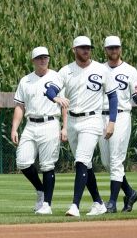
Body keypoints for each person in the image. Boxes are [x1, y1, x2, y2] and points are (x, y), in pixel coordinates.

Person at [51, 35, 119, 217]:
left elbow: (113, 96)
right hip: (73, 121)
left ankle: (75, 205)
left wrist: (112, 122)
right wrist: (55, 97)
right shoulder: (66, 71)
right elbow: (50, 89)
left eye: (88, 47)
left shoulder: (101, 69)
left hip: (92, 120)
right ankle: (98, 202)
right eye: (82, 47)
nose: (86, 50)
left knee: (81, 160)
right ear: (74, 50)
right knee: (86, 165)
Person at [11, 46, 68, 215]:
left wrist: (65, 127)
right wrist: (15, 128)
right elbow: (20, 106)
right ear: (33, 61)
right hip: (31, 123)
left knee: (47, 165)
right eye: (39, 58)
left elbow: (64, 104)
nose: (43, 60)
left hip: (50, 122)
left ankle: (47, 205)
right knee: (22, 161)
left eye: (45, 57)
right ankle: (41, 190)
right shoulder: (25, 80)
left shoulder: (56, 77)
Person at [98, 36, 137, 213]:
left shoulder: (130, 70)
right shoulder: (99, 69)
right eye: (110, 48)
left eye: (116, 47)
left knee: (116, 160)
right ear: (105, 50)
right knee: (107, 162)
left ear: (120, 49)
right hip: (102, 116)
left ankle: (112, 203)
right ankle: (130, 193)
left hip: (122, 115)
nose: (113, 51)